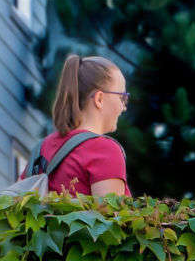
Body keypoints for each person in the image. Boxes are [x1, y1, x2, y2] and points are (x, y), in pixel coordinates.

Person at [34, 55, 130, 197]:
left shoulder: (41, 149)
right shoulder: (104, 150)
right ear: (99, 99)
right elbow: (110, 217)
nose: (124, 107)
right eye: (122, 97)